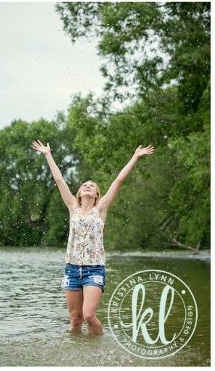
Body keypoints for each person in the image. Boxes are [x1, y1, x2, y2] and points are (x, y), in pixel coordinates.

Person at [31, 140, 155, 335]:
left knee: (88, 315)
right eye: (84, 185)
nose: (88, 186)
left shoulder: (101, 209)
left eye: (92, 186)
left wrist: (135, 156)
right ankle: (77, 354)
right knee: (75, 319)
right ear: (79, 193)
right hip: (71, 269)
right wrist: (48, 154)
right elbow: (59, 180)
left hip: (94, 269)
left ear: (97, 194)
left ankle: (98, 349)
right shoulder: (73, 207)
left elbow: (118, 181)